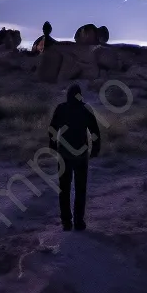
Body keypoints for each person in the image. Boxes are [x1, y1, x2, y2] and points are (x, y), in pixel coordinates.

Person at [47, 82, 101, 231]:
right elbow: (95, 132)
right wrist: (95, 150)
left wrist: (52, 145)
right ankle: (78, 221)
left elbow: (52, 129)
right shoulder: (85, 110)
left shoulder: (61, 108)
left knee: (64, 189)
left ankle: (66, 222)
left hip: (64, 155)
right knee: (80, 189)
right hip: (81, 156)